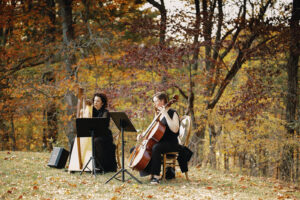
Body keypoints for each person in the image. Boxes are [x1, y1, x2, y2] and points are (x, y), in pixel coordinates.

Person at [137, 92, 181, 184]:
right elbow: (153, 129)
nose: (154, 104)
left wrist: (165, 114)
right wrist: (143, 135)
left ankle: (156, 176)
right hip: (160, 142)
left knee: (156, 148)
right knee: (137, 149)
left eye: (155, 101)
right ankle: (150, 172)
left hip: (171, 143)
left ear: (162, 101)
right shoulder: (158, 114)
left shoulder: (173, 113)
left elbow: (175, 129)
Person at [92, 93, 117, 173]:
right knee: (75, 140)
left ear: (102, 103)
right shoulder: (89, 111)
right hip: (94, 135)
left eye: (98, 101)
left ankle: (100, 167)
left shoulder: (105, 112)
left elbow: (102, 127)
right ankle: (74, 166)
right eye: (94, 101)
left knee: (97, 141)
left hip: (105, 136)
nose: (95, 103)